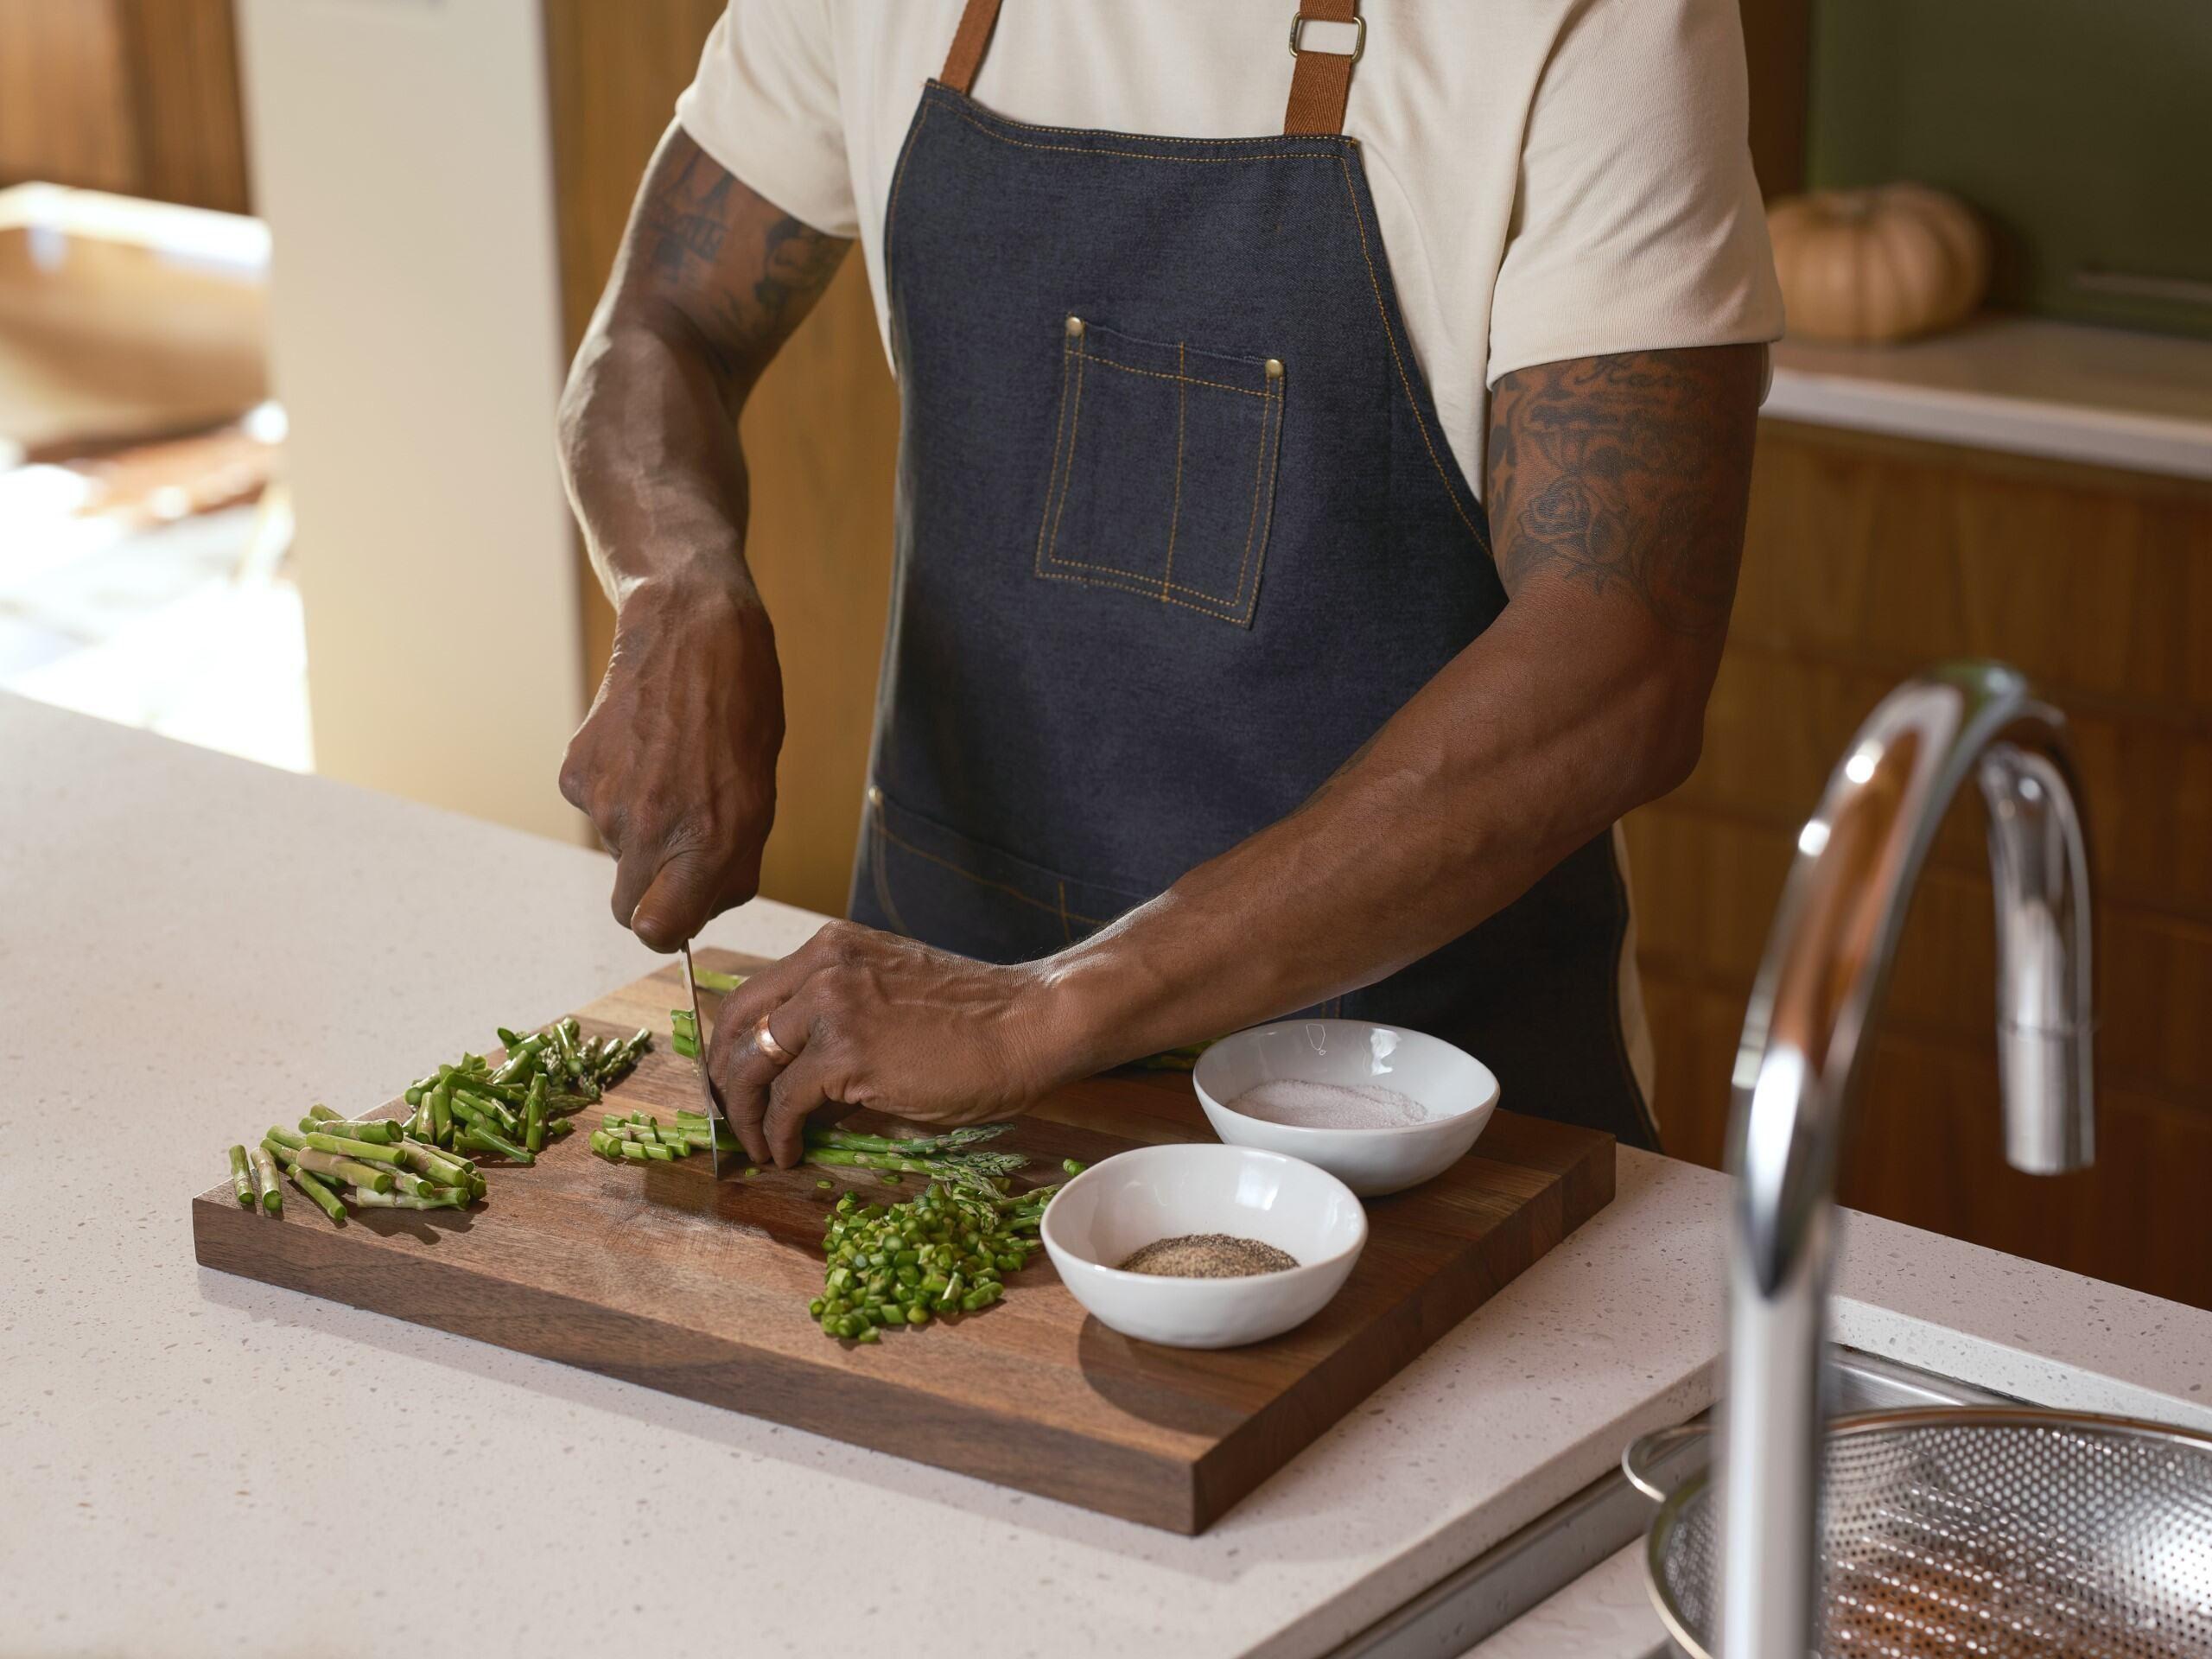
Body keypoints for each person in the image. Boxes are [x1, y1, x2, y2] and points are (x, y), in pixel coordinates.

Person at [556, 0, 1783, 1170]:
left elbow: (1623, 657)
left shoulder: (1586, 21)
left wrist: (1040, 1012)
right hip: (910, 1075)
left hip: (1410, 1109)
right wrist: (679, 586)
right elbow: (661, 323)